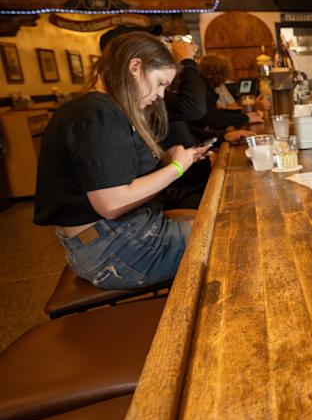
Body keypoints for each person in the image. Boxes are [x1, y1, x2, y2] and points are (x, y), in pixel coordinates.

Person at [34, 33, 210, 289]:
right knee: (227, 237)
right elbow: (112, 203)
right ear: (135, 67)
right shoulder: (98, 113)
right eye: (160, 83)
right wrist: (176, 168)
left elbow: (118, 181)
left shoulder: (98, 109)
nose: (161, 95)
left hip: (110, 240)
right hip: (115, 248)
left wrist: (167, 162)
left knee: (216, 222)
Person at [193, 54, 262, 142]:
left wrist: (242, 114)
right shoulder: (203, 89)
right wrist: (245, 117)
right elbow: (215, 119)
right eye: (223, 76)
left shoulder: (205, 87)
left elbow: (215, 113)